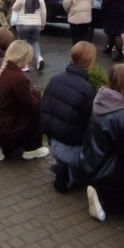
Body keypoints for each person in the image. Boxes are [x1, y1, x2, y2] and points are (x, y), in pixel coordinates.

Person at [78, 63, 124, 221]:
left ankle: (97, 190)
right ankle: (103, 201)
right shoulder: (123, 115)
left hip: (90, 160)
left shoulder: (99, 98)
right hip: (108, 172)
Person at [40, 41, 96, 190]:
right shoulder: (86, 89)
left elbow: (44, 109)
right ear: (90, 62)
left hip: (52, 142)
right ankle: (70, 174)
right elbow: (88, 124)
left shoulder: (55, 79)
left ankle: (62, 165)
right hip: (71, 146)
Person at [0, 40, 50, 161]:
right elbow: (31, 107)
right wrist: (37, 94)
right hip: (4, 130)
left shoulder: (2, 70)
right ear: (24, 58)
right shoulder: (18, 77)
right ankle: (31, 148)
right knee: (39, 110)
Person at [12, 0, 48, 71]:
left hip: (23, 25)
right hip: (36, 25)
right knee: (34, 41)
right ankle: (39, 58)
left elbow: (15, 8)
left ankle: (25, 65)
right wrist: (42, 23)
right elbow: (43, 12)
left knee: (23, 42)